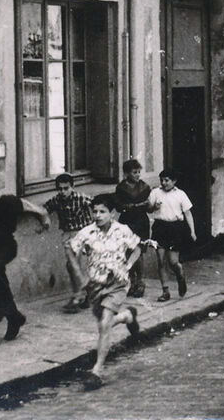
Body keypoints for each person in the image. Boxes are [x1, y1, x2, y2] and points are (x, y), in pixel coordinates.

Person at [67, 194, 141, 389]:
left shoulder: (122, 230)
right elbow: (71, 248)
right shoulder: (87, 232)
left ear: (112, 213)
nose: (97, 215)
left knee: (104, 323)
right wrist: (79, 274)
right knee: (104, 324)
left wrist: (128, 265)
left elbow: (137, 248)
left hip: (117, 282)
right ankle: (127, 316)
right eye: (95, 211)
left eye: (102, 212)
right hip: (95, 285)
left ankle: (96, 371)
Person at [0, 170, 50, 341]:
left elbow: (37, 210)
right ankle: (10, 314)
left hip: (5, 246)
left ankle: (10, 315)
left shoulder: (8, 201)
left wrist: (45, 219)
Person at [43, 173, 93, 313]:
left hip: (82, 233)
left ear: (72, 186)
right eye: (60, 189)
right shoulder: (57, 200)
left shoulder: (81, 198)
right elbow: (45, 209)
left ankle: (78, 297)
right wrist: (44, 220)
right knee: (71, 267)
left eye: (66, 188)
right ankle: (84, 294)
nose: (63, 192)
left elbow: (96, 206)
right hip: (67, 234)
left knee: (78, 264)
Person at [148, 169, 197, 302]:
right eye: (162, 180)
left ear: (174, 181)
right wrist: (154, 207)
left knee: (173, 262)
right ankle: (165, 291)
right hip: (160, 227)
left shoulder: (180, 194)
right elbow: (149, 209)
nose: (164, 183)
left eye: (167, 180)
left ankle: (180, 274)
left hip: (175, 228)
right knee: (160, 260)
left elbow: (188, 213)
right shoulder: (155, 192)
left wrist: (192, 231)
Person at [115, 159, 151, 298]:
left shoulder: (145, 187)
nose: (137, 175)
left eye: (138, 172)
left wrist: (148, 205)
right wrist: (131, 206)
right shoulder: (121, 188)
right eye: (134, 172)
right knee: (127, 252)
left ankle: (141, 282)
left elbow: (148, 205)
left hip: (141, 221)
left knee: (139, 252)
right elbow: (119, 205)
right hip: (127, 221)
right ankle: (132, 281)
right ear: (126, 173)